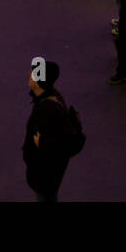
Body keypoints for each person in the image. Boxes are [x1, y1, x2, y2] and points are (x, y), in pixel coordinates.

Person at [22, 60, 76, 202]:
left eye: (33, 74)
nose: (29, 75)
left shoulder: (47, 109)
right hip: (49, 172)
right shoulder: (50, 99)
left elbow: (49, 145)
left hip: (45, 173)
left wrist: (36, 144)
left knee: (45, 197)